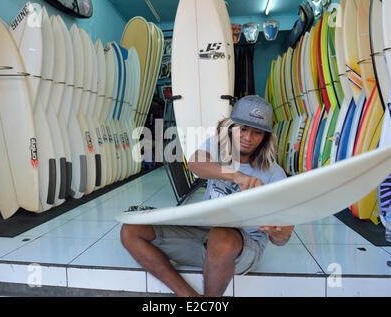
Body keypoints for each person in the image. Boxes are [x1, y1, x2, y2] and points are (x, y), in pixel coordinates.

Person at [120, 95, 294, 297]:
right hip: (205, 235)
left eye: (257, 132)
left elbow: (282, 239)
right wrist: (236, 175)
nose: (248, 137)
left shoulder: (274, 173)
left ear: (265, 137)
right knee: (131, 231)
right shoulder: (217, 145)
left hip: (243, 249)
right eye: (243, 129)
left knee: (221, 235)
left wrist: (278, 232)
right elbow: (195, 164)